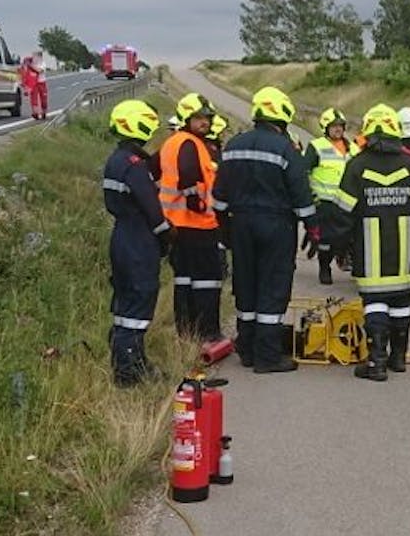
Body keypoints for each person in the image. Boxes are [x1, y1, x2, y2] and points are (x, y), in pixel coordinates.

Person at [326, 104, 410, 381]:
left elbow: (343, 213)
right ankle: (399, 358)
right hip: (404, 248)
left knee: (375, 301)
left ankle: (377, 362)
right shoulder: (408, 164)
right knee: (401, 301)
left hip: (369, 248)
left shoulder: (357, 165)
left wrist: (335, 246)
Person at [210, 86, 315, 373]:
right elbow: (301, 195)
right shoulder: (285, 148)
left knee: (246, 285)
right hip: (276, 225)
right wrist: (314, 231)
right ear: (282, 116)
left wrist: (224, 229)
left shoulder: (233, 145)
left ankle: (247, 348)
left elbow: (218, 196)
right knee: (273, 285)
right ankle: (267, 356)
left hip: (240, 223)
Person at [103, 99, 173, 385]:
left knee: (126, 301)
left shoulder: (117, 159)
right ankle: (129, 370)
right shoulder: (133, 165)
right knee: (140, 297)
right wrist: (166, 235)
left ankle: (128, 360)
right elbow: (151, 207)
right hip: (138, 238)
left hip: (122, 236)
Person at [159, 93, 224, 342]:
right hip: (198, 224)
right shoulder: (190, 143)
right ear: (187, 118)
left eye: (207, 118)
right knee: (208, 280)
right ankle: (208, 332)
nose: (204, 122)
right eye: (198, 118)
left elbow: (153, 169)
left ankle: (186, 331)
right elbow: (188, 174)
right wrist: (195, 201)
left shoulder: (172, 142)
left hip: (177, 224)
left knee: (184, 280)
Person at [302, 107, 356, 285]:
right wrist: (311, 197)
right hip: (324, 202)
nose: (338, 129)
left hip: (347, 202)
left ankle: (343, 258)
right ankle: (324, 268)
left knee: (345, 237)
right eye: (334, 126)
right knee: (325, 240)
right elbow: (303, 172)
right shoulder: (316, 146)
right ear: (325, 128)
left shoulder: (352, 148)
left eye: (341, 126)